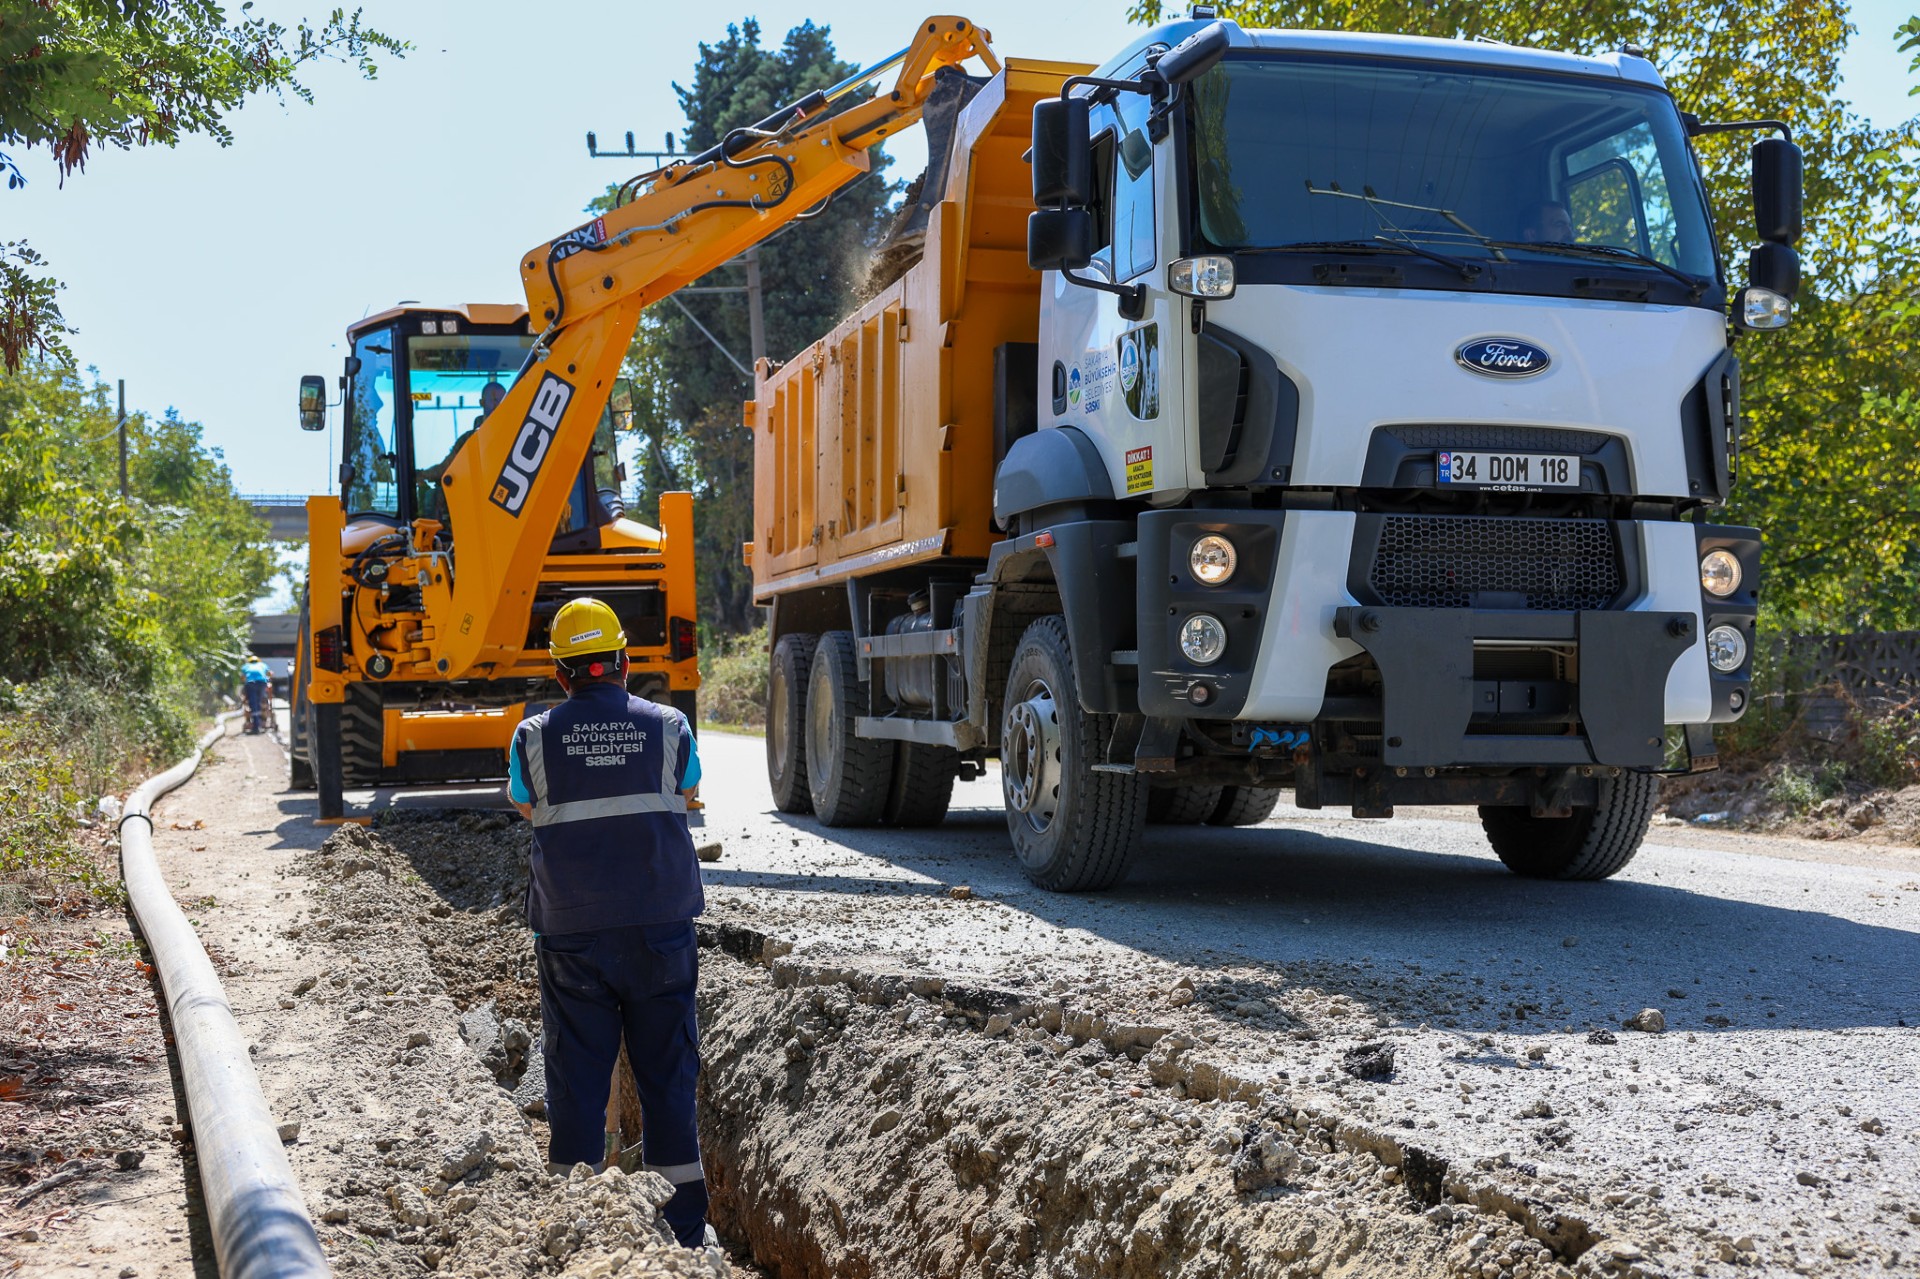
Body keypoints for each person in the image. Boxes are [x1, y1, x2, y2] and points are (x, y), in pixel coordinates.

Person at [506, 598, 709, 1247]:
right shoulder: (671, 725)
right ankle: (681, 1232)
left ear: (560, 674)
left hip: (573, 935)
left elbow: (523, 802)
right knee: (667, 1077)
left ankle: (579, 1226)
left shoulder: (533, 736)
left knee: (577, 1079)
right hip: (659, 930)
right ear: (624, 662)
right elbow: (690, 788)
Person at [240, 654, 272, 734]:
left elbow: (243, 677)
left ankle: (256, 725)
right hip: (262, 683)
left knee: (253, 703)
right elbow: (269, 674)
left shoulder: (246, 666)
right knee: (260, 701)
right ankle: (260, 719)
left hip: (250, 684)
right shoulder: (263, 665)